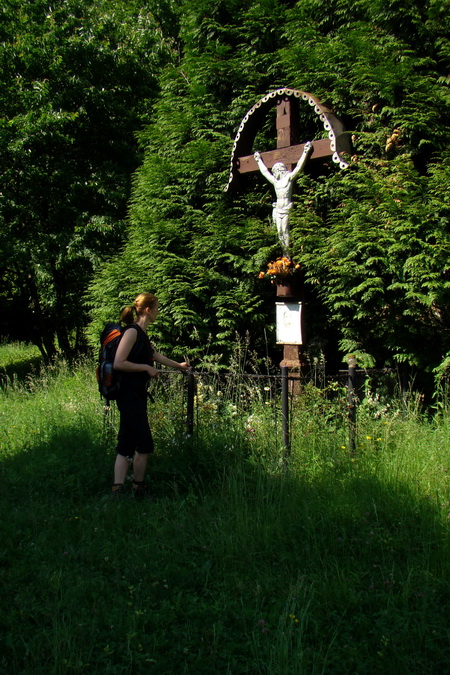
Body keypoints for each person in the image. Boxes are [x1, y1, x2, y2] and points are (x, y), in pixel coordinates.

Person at [111, 292, 189, 499]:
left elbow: (154, 355)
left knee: (126, 441)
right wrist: (145, 368)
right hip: (128, 395)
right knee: (144, 443)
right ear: (148, 310)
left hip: (136, 394)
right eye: (157, 308)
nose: (158, 312)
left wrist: (179, 366)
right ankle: (138, 488)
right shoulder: (132, 332)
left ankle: (117, 490)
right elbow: (119, 362)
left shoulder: (141, 335)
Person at [254, 141, 313, 254]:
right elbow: (265, 172)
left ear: (279, 170)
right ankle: (283, 253)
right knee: (279, 232)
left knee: (285, 230)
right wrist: (258, 160)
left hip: (286, 208)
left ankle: (288, 254)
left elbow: (299, 167)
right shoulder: (276, 182)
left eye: (275, 171)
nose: (274, 173)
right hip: (278, 209)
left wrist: (305, 151)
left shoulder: (289, 178)